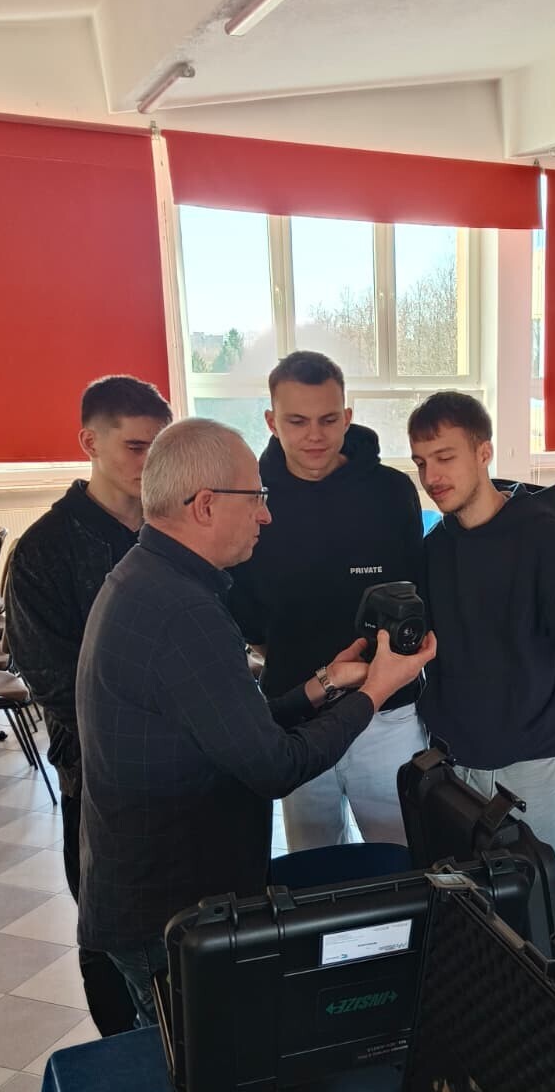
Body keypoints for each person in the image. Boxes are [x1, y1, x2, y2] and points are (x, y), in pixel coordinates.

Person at [75, 417, 435, 1024]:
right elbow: (274, 766)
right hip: (167, 912)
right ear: (206, 505)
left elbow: (230, 730)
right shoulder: (183, 611)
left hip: (156, 894)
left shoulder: (151, 576)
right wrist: (377, 689)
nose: (266, 515)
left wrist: (324, 685)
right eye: (257, 497)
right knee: (199, 1065)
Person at [5, 374, 171, 1036]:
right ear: (89, 443)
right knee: (109, 933)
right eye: (135, 447)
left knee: (186, 933)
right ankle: (121, 1062)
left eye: (160, 448)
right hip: (99, 780)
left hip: (185, 775)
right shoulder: (44, 551)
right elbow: (51, 681)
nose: (150, 463)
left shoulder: (173, 529)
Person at [409, 391, 555, 878]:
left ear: (483, 452)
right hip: (456, 763)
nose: (431, 476)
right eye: (420, 462)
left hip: (532, 767)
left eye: (445, 457)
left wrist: (549, 717)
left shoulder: (544, 539)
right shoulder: (435, 549)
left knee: (546, 895)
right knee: (470, 901)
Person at [228, 351, 426, 851]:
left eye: (328, 419)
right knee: (313, 862)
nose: (314, 435)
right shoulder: (247, 498)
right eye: (297, 421)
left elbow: (418, 592)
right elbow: (243, 612)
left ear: (347, 417)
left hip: (388, 713)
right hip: (297, 712)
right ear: (271, 420)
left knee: (401, 859)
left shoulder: (391, 492)